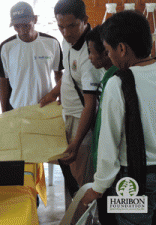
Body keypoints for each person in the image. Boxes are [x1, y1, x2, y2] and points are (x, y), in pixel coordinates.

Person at [81, 10, 156, 225]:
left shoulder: (119, 82)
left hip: (131, 179)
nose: (110, 56)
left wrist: (98, 187)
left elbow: (109, 143)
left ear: (122, 49)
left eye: (108, 50)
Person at [40, 0, 104, 199]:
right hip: (67, 114)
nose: (66, 33)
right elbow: (69, 73)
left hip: (82, 122)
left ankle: (84, 218)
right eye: (60, 26)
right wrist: (53, 93)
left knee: (84, 180)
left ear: (84, 20)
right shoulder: (68, 42)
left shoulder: (91, 52)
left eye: (71, 26)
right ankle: (74, 215)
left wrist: (76, 142)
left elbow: (90, 104)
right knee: (70, 176)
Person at [0, 1, 63, 112]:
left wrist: (61, 97)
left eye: (26, 24)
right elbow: (3, 81)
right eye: (17, 26)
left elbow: (58, 74)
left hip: (44, 105)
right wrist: (4, 111)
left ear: (35, 19)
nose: (21, 30)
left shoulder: (52, 43)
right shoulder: (6, 47)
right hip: (17, 108)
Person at [85, 25, 118, 225]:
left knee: (111, 215)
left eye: (91, 51)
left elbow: (111, 130)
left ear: (106, 52)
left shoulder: (115, 77)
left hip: (112, 171)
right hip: (106, 164)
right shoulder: (108, 76)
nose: (89, 57)